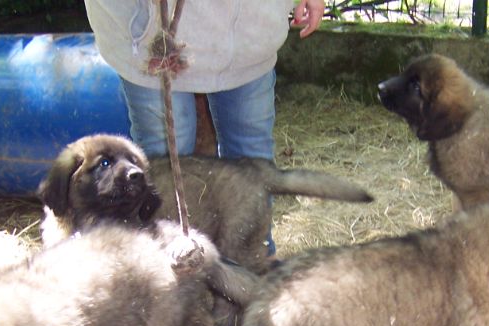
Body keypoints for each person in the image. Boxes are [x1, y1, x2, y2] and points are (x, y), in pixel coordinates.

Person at [84, 0, 325, 255]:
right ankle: (165, 274)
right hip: (151, 38)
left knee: (251, 159)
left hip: (250, 34)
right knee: (163, 166)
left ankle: (252, 271)